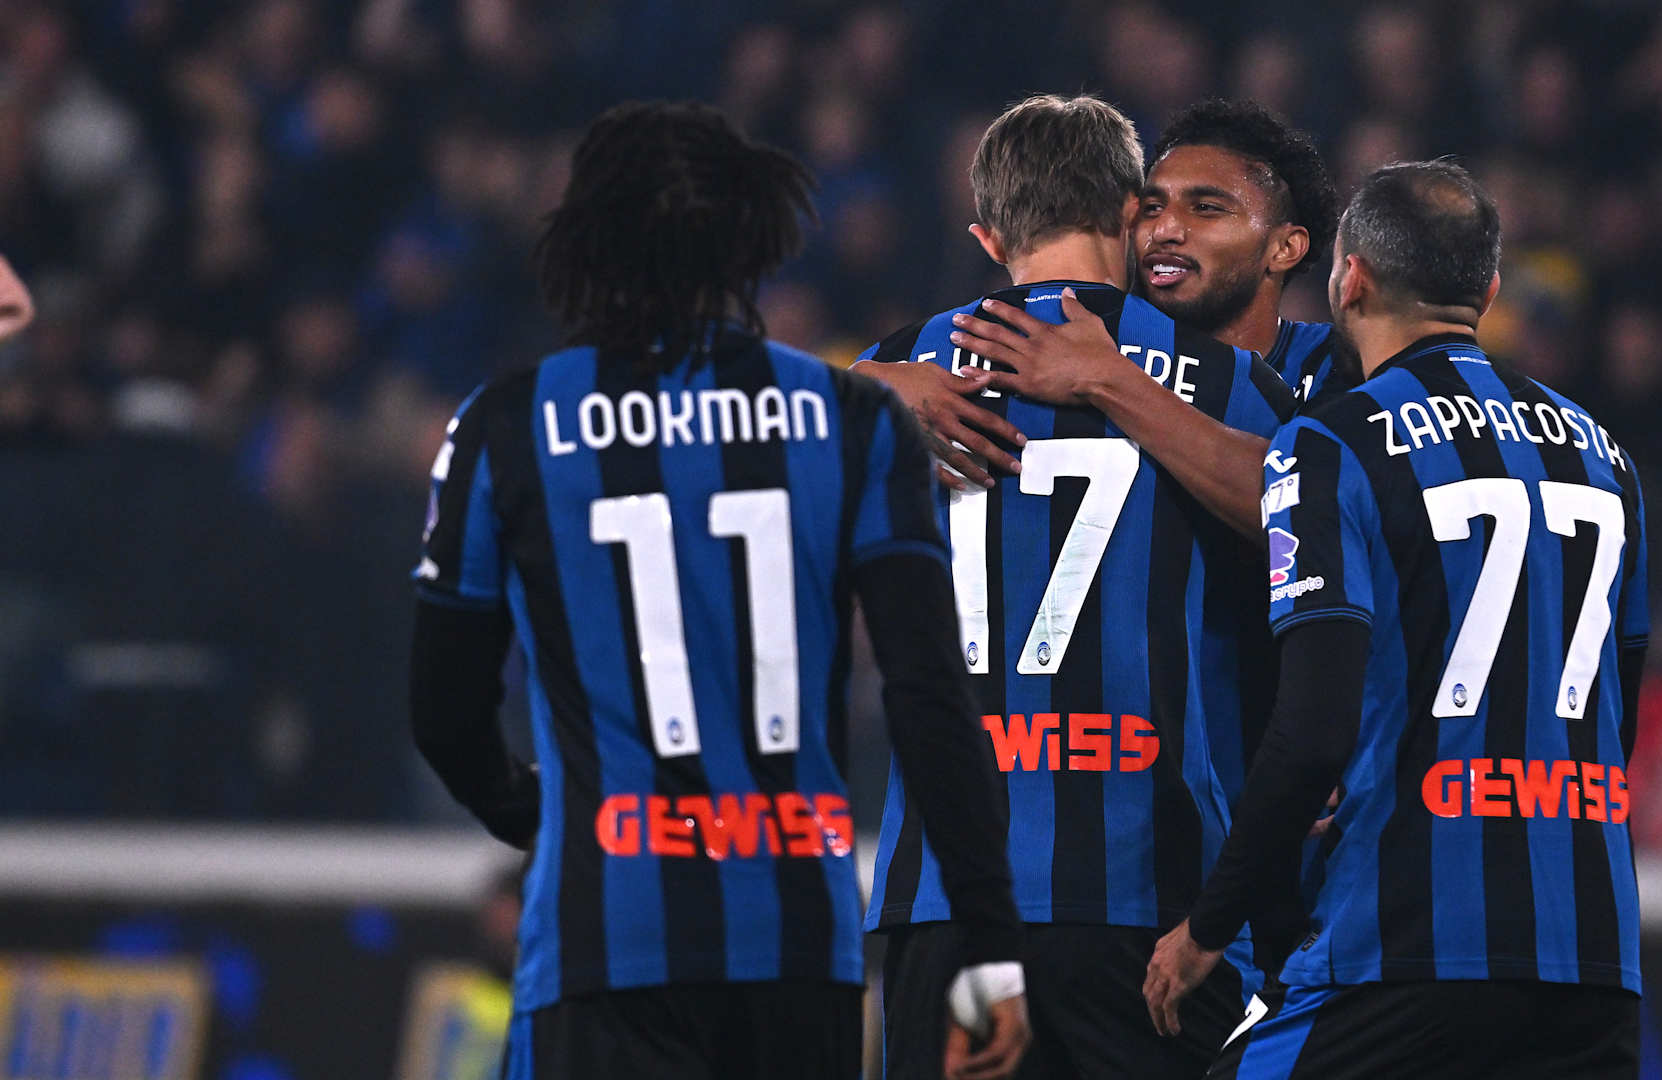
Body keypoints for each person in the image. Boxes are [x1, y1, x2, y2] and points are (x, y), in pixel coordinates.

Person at [408, 101, 1028, 1080]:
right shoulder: (852, 418)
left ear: (584, 239)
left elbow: (442, 711)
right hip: (795, 938)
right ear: (751, 238)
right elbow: (929, 697)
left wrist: (540, 817)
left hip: (606, 935)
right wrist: (990, 938)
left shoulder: (506, 427)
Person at [1142, 160, 1649, 1078]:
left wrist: (1207, 928)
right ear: (1487, 291)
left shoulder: (1329, 444)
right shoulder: (1605, 456)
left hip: (1405, 942)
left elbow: (1312, 731)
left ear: (1352, 279)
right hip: (1592, 948)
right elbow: (1623, 711)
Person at [858, 94, 1296, 1078]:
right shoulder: (1228, 382)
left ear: (986, 235)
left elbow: (732, 441)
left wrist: (865, 384)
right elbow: (1308, 515)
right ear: (1132, 214)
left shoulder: (894, 370)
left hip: (954, 906)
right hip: (1152, 912)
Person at [864, 99, 1342, 543]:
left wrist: (1110, 379)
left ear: (1285, 247)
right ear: (1128, 217)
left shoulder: (1338, 365)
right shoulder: (1215, 376)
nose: (1165, 230)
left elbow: (1323, 514)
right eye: (1152, 208)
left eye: (1206, 209)